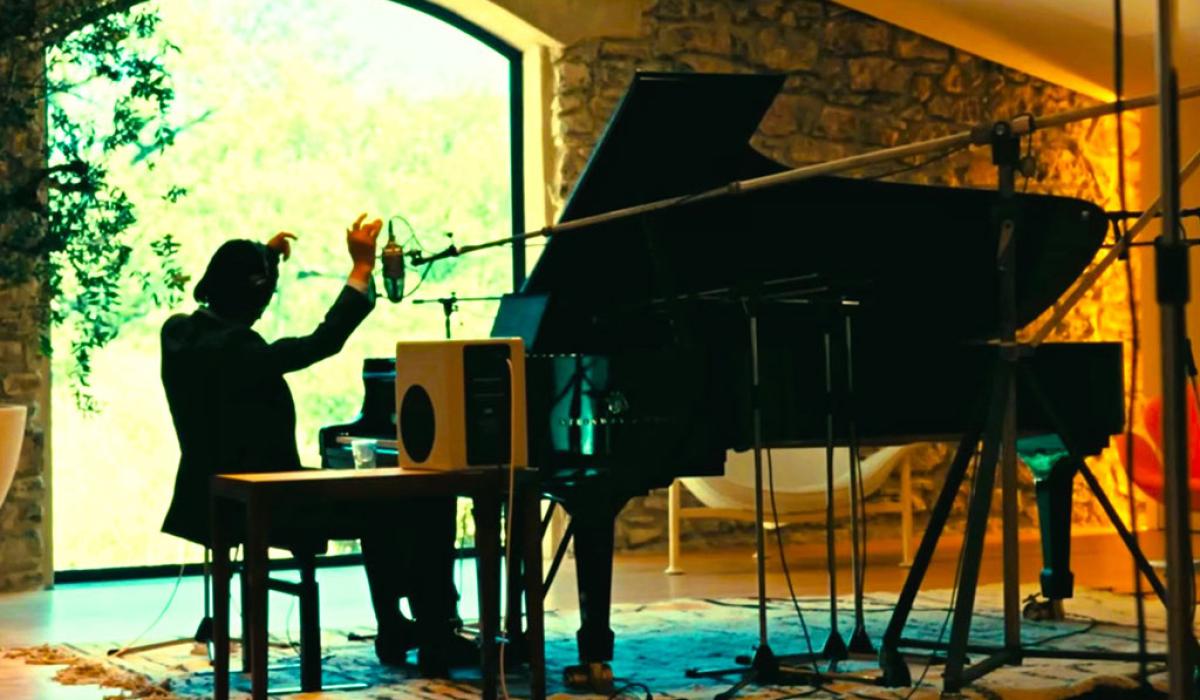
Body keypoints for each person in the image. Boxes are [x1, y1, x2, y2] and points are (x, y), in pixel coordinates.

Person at [159, 214, 474, 675]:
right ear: (249, 295)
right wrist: (362, 268)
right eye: (264, 296)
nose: (266, 308)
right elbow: (324, 340)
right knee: (422, 496)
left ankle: (398, 628)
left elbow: (236, 285)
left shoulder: (178, 334)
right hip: (275, 504)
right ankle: (431, 632)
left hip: (212, 500)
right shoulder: (243, 352)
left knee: (384, 501)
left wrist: (266, 256)